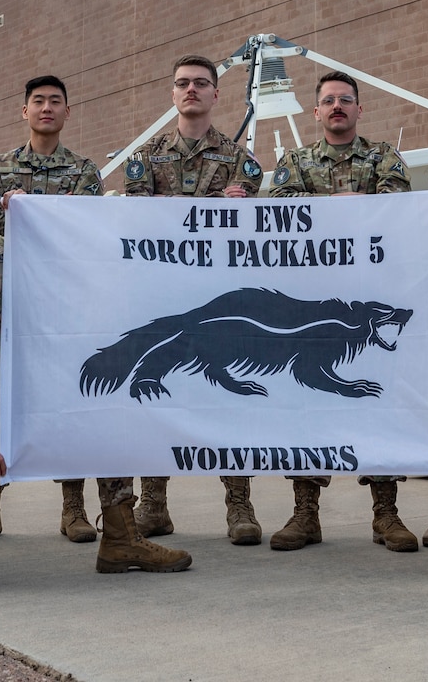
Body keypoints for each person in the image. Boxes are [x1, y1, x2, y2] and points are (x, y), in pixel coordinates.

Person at [267, 70, 415, 552]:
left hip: (370, 302)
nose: (336, 107)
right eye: (328, 101)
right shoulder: (295, 161)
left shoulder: (382, 158)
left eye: (345, 100)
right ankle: (305, 512)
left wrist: (354, 205)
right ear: (315, 112)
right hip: (312, 304)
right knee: (307, 402)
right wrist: (338, 204)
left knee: (377, 399)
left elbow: (400, 207)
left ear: (359, 109)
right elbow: (279, 211)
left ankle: (386, 514)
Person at [123, 54, 264, 545]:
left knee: (226, 391)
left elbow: (244, 220)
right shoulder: (145, 155)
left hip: (218, 300)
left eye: (201, 84)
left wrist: (181, 207)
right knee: (156, 386)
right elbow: (135, 214)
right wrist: (202, 205)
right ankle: (153, 502)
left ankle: (239, 504)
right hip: (160, 294)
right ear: (172, 92)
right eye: (182, 83)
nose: (191, 91)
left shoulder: (241, 160)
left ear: (216, 94)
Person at [0, 74, 104, 544]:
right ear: (24, 110)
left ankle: (74, 506)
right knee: (0, 397)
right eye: (38, 101)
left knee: (68, 398)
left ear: (68, 112)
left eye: (55, 102)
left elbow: (93, 230)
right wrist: (12, 207)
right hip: (7, 300)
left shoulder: (85, 171)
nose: (46, 108)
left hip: (64, 304)